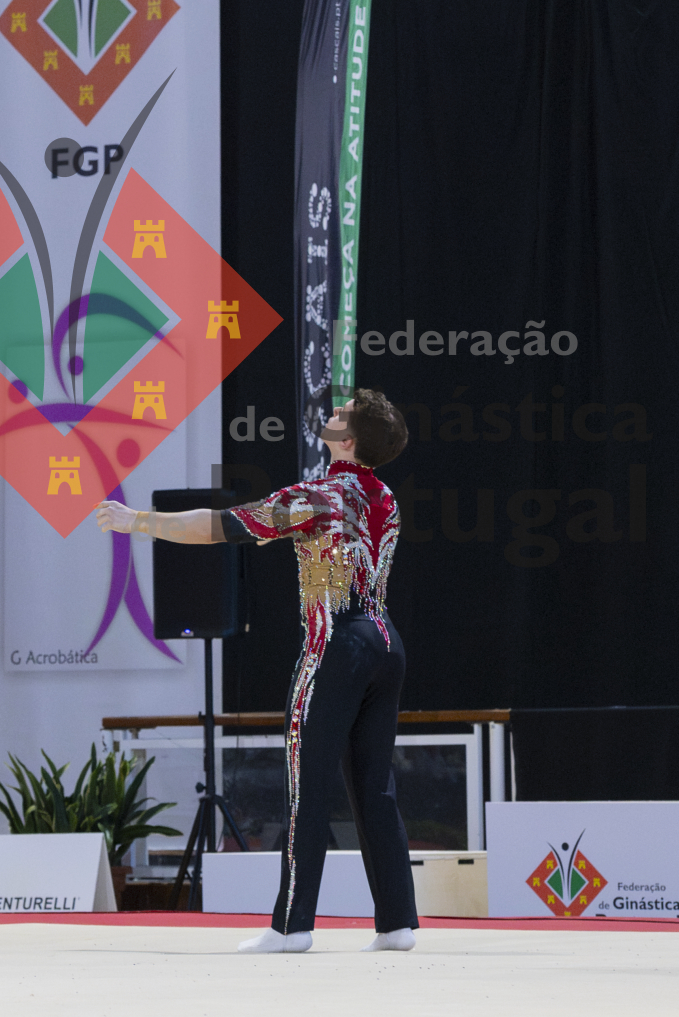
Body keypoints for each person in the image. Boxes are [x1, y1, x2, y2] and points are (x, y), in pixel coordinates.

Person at [95, 389, 419, 954]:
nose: (331, 414)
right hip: (386, 642)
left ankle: (291, 927)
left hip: (335, 644)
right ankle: (398, 923)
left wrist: (137, 521)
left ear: (348, 441)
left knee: (308, 785)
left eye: (340, 415)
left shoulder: (319, 495)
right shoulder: (385, 496)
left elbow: (219, 526)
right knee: (375, 788)